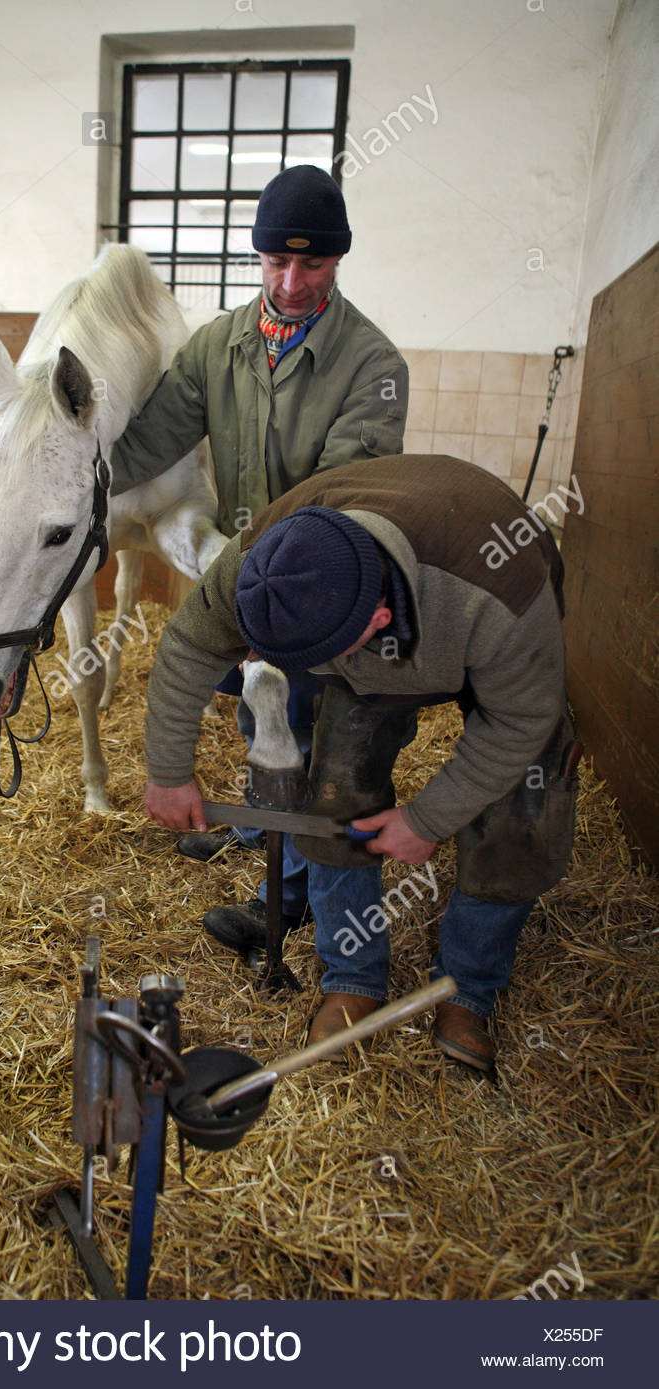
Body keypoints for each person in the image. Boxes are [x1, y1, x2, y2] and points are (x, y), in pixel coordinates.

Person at [142, 455, 580, 1071]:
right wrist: (166, 770)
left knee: (521, 818)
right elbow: (190, 642)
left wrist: (428, 820)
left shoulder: (500, 598)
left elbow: (520, 722)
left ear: (375, 621)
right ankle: (353, 978)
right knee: (337, 790)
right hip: (368, 633)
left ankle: (469, 991)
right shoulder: (266, 560)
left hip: (477, 617)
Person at [110, 164, 408, 951]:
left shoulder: (375, 367)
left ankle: (287, 895)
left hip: (316, 588)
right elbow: (150, 442)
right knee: (255, 712)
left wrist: (239, 578)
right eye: (277, 261)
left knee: (304, 735)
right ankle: (255, 834)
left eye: (313, 264)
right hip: (249, 580)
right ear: (257, 257)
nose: (293, 280)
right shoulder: (219, 347)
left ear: (339, 262)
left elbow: (333, 498)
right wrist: (76, 473)